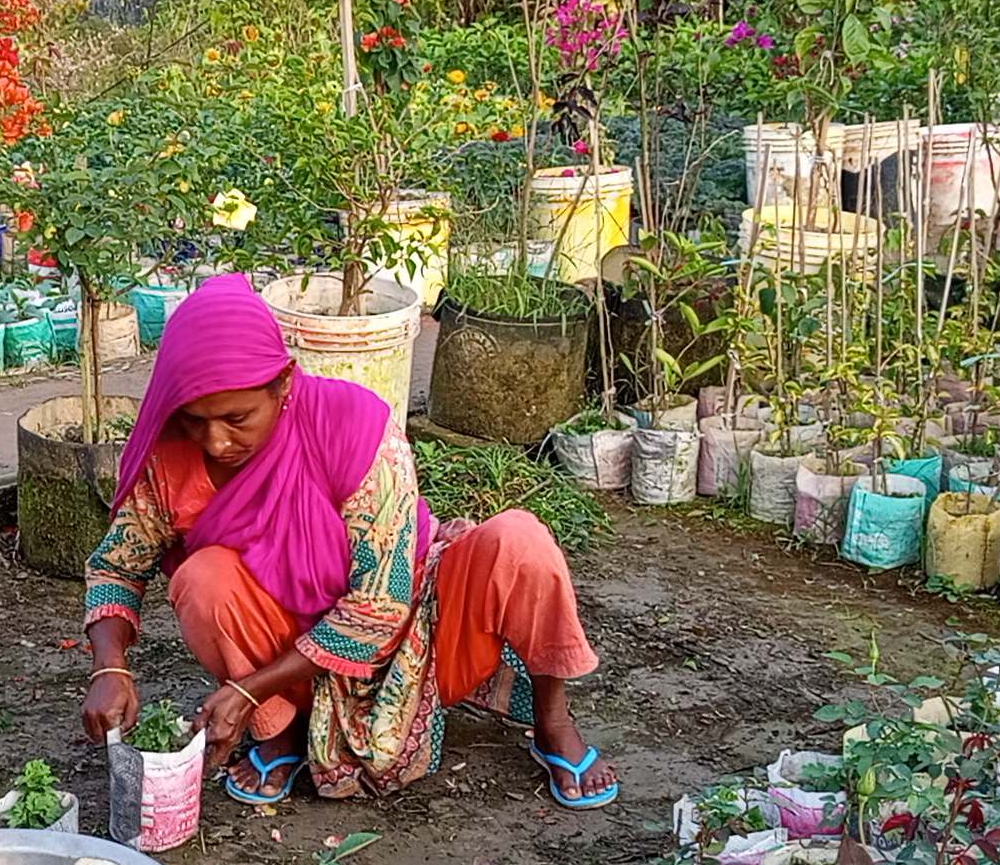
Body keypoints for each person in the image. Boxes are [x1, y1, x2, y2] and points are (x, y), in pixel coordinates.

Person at [79, 274, 616, 809]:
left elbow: (380, 606)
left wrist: (246, 687)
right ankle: (279, 731)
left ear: (284, 384)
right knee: (204, 579)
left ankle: (552, 721)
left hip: (419, 634)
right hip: (286, 655)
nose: (216, 441)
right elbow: (116, 568)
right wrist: (110, 666)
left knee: (520, 541)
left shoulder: (353, 426)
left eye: (238, 418)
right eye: (196, 421)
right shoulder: (170, 460)